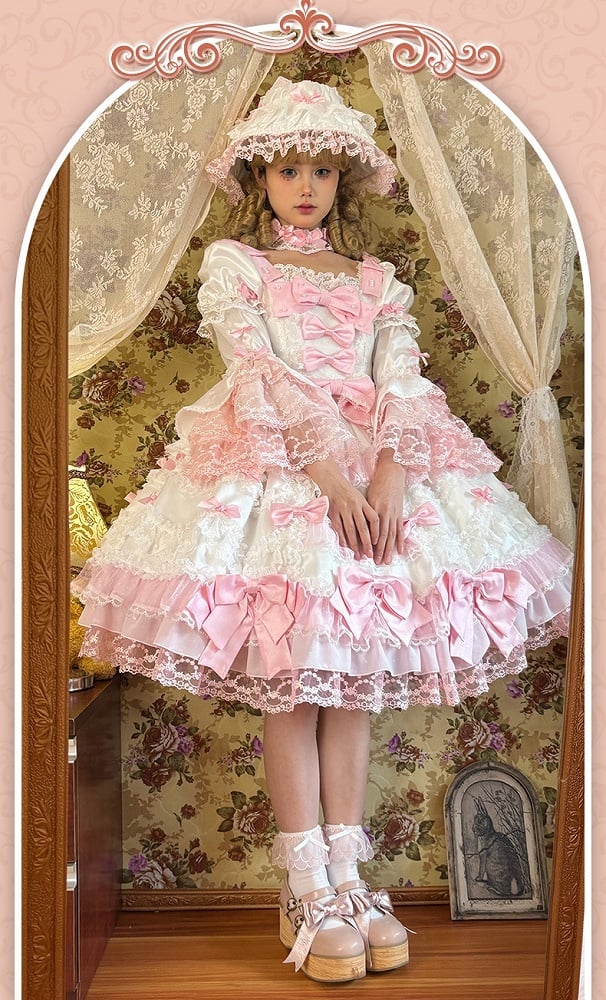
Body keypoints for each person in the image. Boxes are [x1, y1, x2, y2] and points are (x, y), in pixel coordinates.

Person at [73, 76, 573, 983]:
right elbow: (256, 369)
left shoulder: (378, 281)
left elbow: (403, 378)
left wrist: (389, 475)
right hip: (283, 474)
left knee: (353, 689)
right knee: (294, 689)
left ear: (344, 180)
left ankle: (349, 878)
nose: (306, 187)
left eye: (323, 171)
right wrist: (329, 476)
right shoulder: (237, 265)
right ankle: (304, 887)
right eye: (288, 170)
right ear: (259, 178)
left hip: (383, 472)